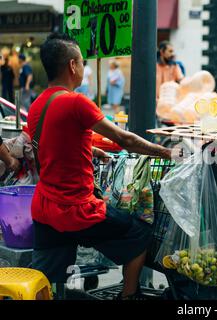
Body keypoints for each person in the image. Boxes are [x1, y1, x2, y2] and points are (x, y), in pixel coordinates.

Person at [28, 33, 174, 300]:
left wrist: (91, 149)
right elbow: (124, 139)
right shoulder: (76, 102)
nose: (83, 68)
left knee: (46, 280)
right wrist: (167, 152)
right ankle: (128, 295)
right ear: (72, 66)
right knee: (139, 233)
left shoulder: (38, 104)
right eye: (82, 62)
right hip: (77, 209)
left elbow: (51, 142)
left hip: (44, 207)